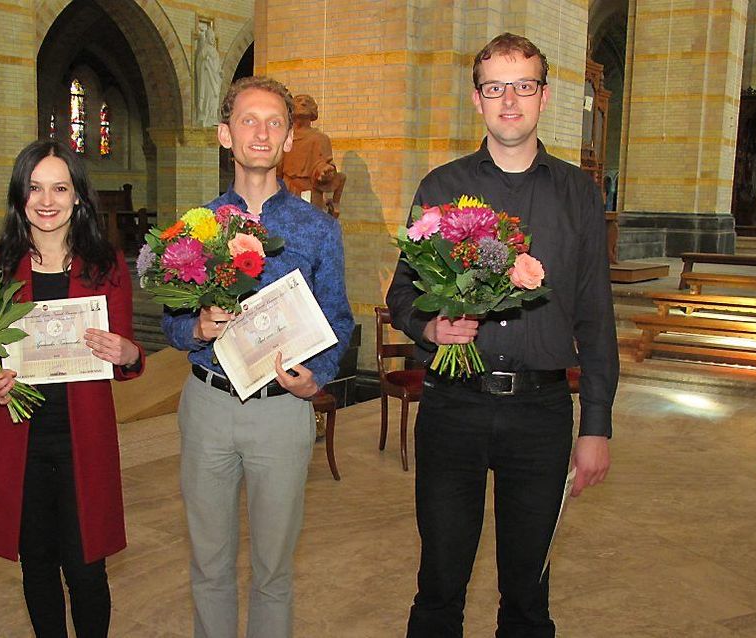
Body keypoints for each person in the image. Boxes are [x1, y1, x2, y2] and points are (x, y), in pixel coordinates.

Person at [385, 32, 618, 638]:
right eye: (495, 87)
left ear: (544, 96)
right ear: (477, 99)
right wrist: (432, 326)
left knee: (526, 591)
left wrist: (596, 424)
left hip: (541, 413)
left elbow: (595, 316)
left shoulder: (578, 195)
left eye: (523, 86)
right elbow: (401, 293)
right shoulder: (441, 188)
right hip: (453, 407)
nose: (509, 100)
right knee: (439, 581)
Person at [162, 76, 354, 638]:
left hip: (280, 409)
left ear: (291, 137)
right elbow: (172, 320)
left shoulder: (318, 230)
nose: (262, 133)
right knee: (210, 563)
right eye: (249, 120)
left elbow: (339, 320)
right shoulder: (197, 227)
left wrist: (314, 378)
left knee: (273, 569)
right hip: (210, 404)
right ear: (226, 134)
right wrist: (193, 325)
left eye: (275, 122)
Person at [0, 139, 145, 638]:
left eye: (60, 188)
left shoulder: (104, 264)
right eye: (35, 188)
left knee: (87, 566)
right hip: (18, 440)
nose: (47, 201)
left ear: (79, 197)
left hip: (81, 439)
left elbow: (128, 351)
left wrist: (127, 353)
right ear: (19, 195)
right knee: (37, 564)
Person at [280, 94, 346, 217]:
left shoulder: (320, 138)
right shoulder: (283, 137)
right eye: (299, 101)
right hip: (286, 189)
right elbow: (277, 169)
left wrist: (325, 171)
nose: (303, 103)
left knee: (309, 226)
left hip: (309, 191)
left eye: (307, 102)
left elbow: (325, 164)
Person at [195, 22, 223, 127]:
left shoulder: (215, 51)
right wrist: (205, 62)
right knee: (208, 96)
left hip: (215, 78)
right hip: (207, 77)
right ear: (207, 38)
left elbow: (218, 66)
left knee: (214, 98)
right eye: (210, 37)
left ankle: (212, 116)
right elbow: (200, 61)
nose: (212, 39)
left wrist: (220, 72)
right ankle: (205, 114)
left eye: (213, 38)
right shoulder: (205, 49)